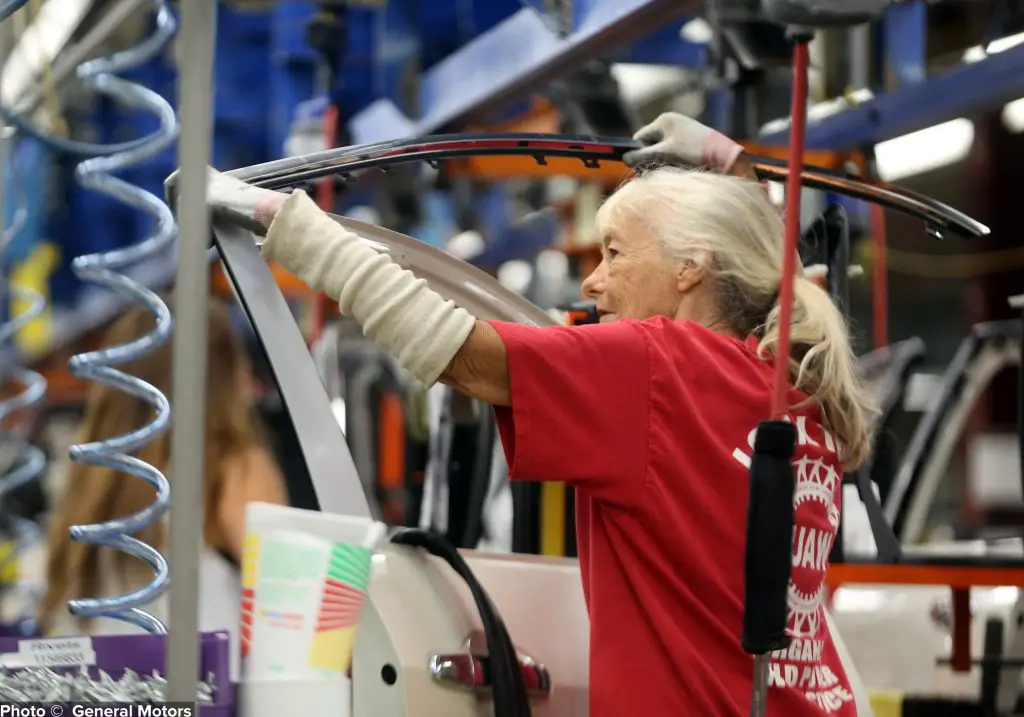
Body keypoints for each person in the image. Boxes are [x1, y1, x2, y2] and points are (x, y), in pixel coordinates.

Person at [169, 113, 874, 716]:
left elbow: (451, 346)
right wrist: (734, 169)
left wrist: (281, 223)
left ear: (690, 266)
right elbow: (749, 269)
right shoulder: (790, 382)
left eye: (615, 252)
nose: (593, 279)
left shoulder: (654, 368)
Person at [38, 300, 287, 676]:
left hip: (84, 691)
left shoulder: (89, 476)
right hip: (202, 693)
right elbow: (287, 594)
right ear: (220, 378)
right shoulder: (233, 466)